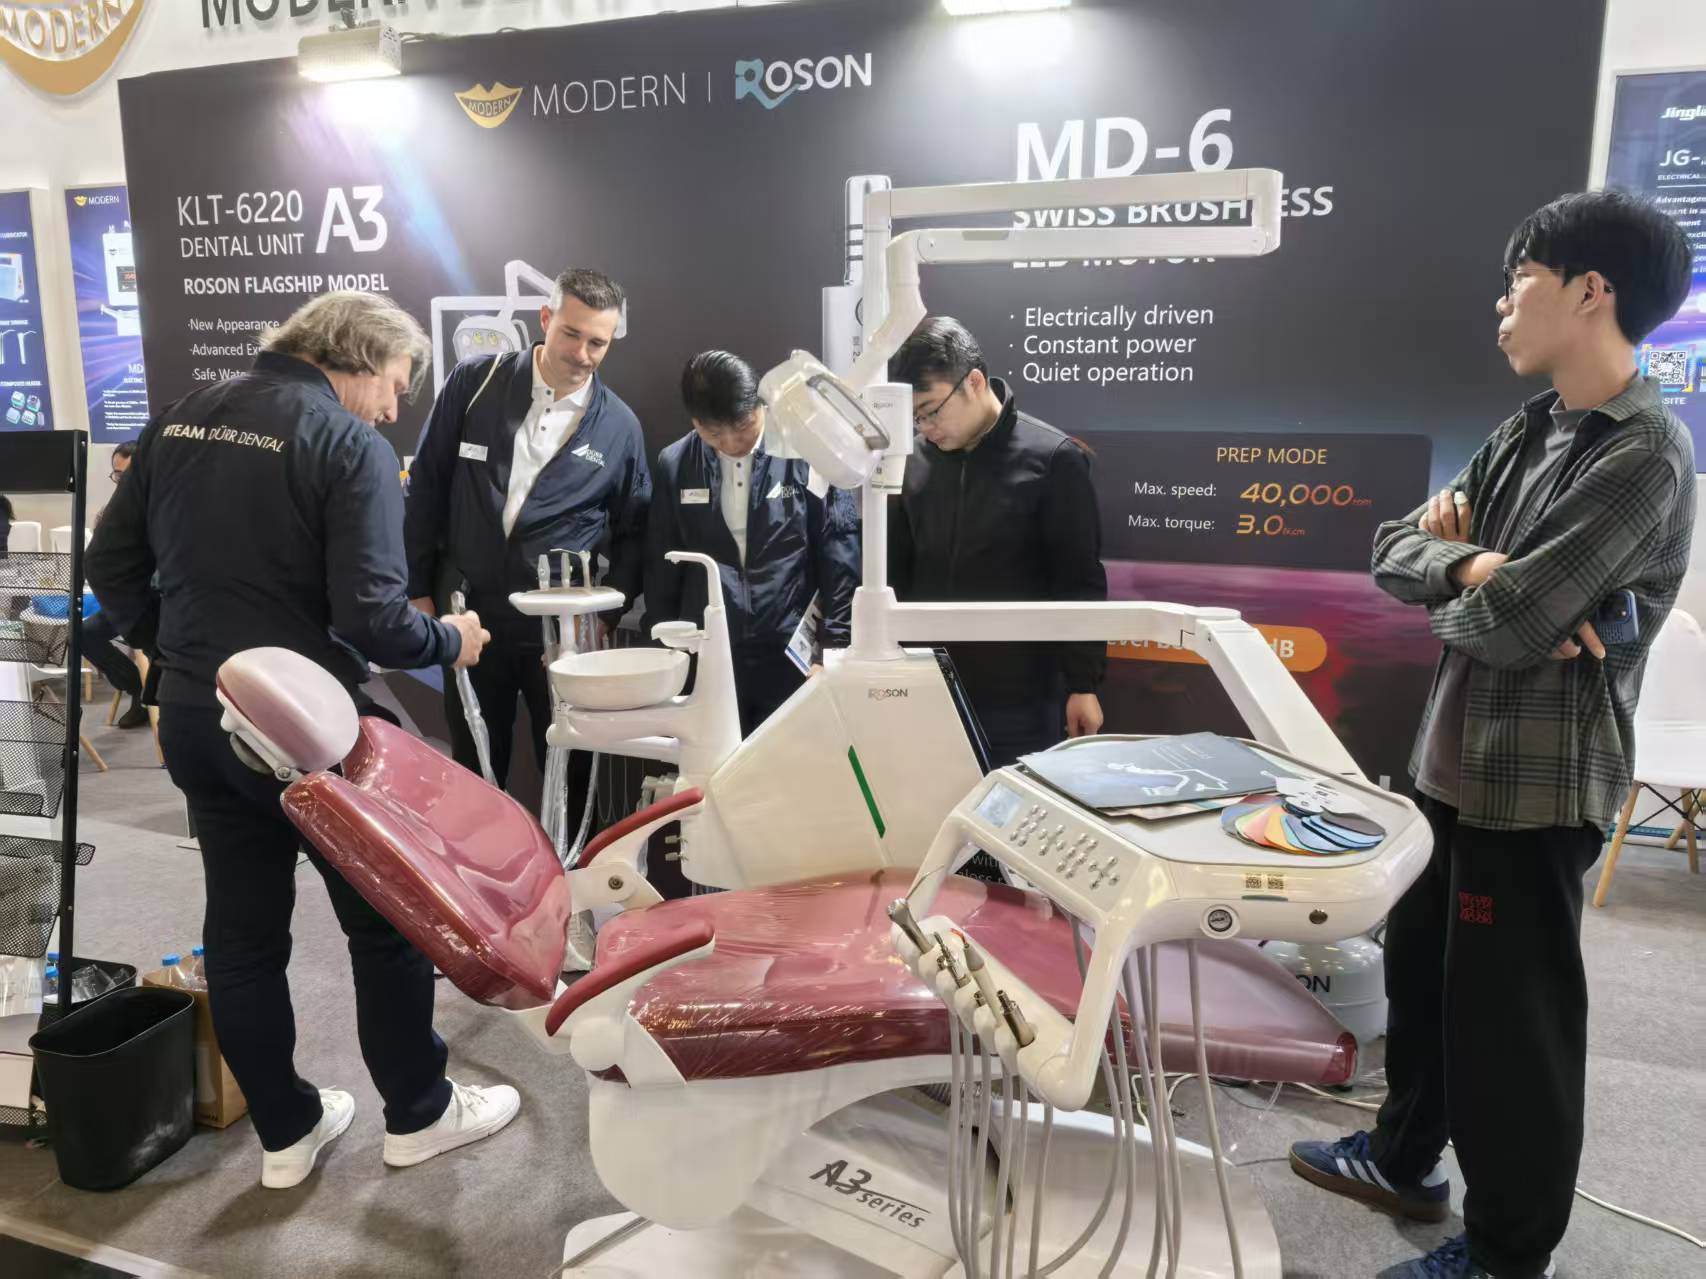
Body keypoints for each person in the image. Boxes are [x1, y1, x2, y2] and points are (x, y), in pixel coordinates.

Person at [1291, 192, 1696, 1279]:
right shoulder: (1529, 428)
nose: (1500, 305)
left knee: (1508, 1031)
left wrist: (1492, 591)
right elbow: (1391, 553)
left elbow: (1514, 627)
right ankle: (1400, 1154)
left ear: (1587, 291)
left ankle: (1508, 1251)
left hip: (1532, 788)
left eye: (1519, 279)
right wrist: (1469, 566)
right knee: (1420, 980)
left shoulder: (1643, 455)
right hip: (1448, 763)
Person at [87, 291, 517, 1191]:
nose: (394, 409)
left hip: (202, 716)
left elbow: (110, 564)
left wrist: (176, 648)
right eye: (395, 385)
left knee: (242, 938)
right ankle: (420, 1114)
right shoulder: (347, 443)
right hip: (307, 729)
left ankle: (285, 1132)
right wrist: (455, 640)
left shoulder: (183, 418)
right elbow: (376, 618)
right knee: (384, 929)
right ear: (357, 358)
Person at [405, 268, 650, 799]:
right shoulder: (475, 384)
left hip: (559, 633)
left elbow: (634, 534)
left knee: (570, 776)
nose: (582, 353)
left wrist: (603, 619)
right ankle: (477, 880)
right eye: (572, 333)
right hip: (468, 618)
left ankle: (569, 877)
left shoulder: (620, 427)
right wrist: (419, 593)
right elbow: (424, 486)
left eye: (598, 342)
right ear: (546, 319)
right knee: (474, 767)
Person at [889, 316, 1107, 767]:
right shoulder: (909, 461)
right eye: (914, 417)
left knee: (1014, 824)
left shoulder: (1052, 459)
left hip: (1021, 696)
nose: (925, 427)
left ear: (973, 382)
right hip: (925, 688)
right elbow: (896, 570)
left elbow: (1079, 582)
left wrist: (1083, 684)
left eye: (930, 410)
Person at [645, 350, 860, 735]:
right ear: (695, 423)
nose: (730, 442)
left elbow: (838, 550)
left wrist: (835, 649)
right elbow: (662, 565)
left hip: (792, 654)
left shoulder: (804, 452)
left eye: (742, 426)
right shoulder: (675, 464)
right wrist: (666, 650)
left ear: (760, 406)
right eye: (713, 433)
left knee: (794, 769)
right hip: (712, 657)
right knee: (717, 775)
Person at [83, 441, 149, 728]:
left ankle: (158, 699)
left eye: (126, 474)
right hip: (124, 601)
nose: (120, 481)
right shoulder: (108, 513)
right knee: (83, 634)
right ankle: (138, 691)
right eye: (116, 475)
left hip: (160, 600)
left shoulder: (162, 505)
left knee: (155, 643)